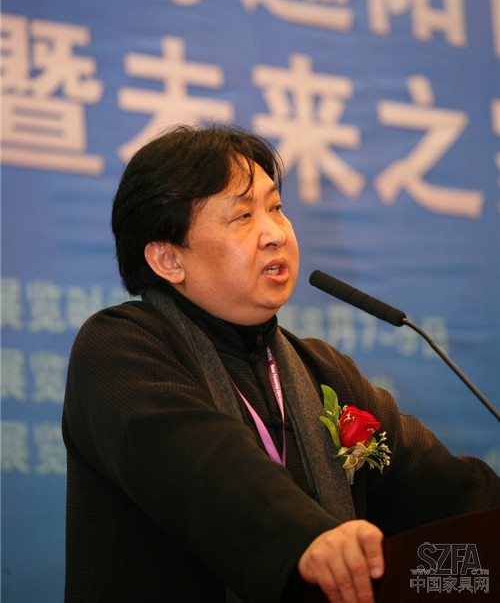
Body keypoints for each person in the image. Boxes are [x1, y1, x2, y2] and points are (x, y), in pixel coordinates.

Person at [63, 124, 499, 603]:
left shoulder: (323, 371)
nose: (275, 234)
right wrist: (307, 537)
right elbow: (206, 466)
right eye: (243, 215)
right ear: (168, 259)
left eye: (275, 208)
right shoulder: (119, 347)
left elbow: (446, 490)